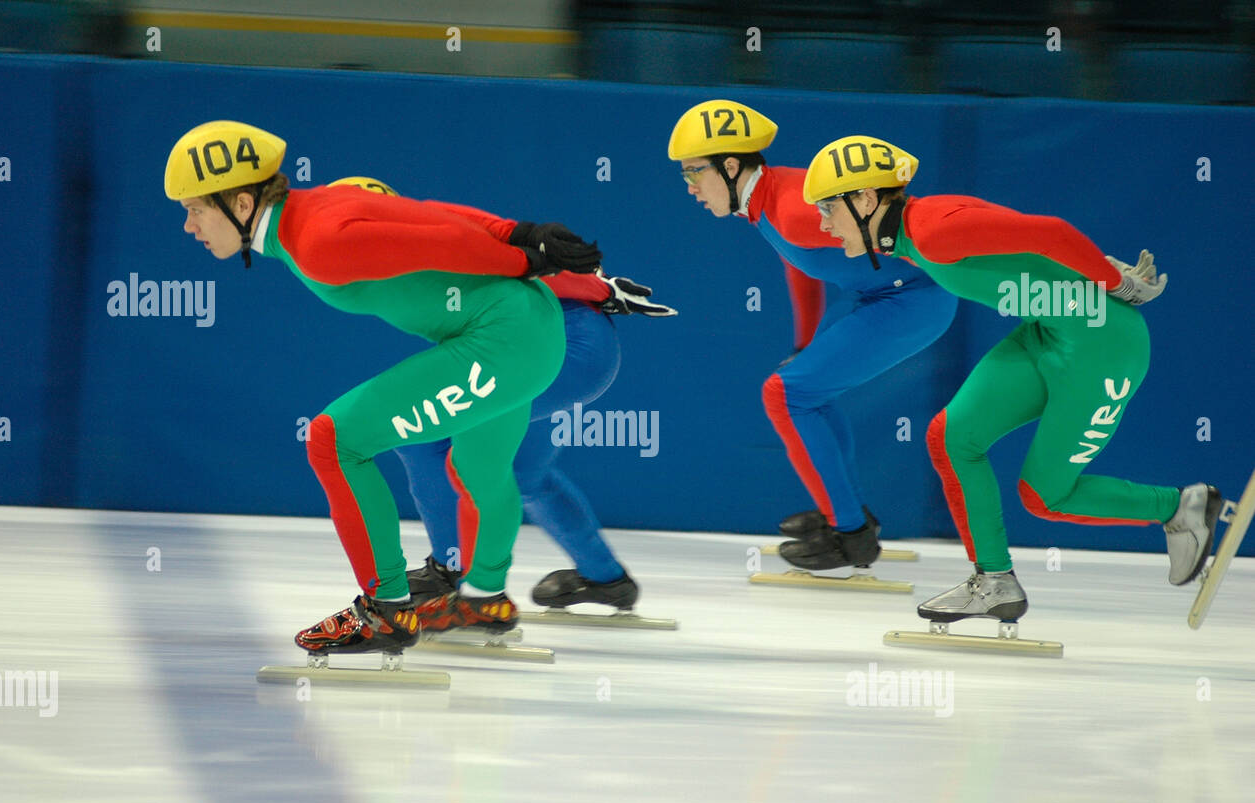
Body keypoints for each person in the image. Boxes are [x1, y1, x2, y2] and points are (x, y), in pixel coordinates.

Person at [164, 121, 601, 658]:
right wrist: (517, 231)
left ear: (241, 202)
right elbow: (428, 211)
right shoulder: (321, 205)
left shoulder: (316, 241)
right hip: (525, 327)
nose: (189, 226)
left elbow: (442, 240)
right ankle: (485, 597)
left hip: (504, 340)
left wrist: (522, 253)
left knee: (333, 439)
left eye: (194, 210)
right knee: (479, 469)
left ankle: (386, 611)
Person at [801, 134, 1218, 623]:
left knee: (1044, 497)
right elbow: (1023, 241)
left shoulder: (932, 230)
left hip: (1104, 347)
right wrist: (1096, 268)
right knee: (952, 437)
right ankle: (994, 581)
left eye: (828, 208)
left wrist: (1112, 282)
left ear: (867, 199)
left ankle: (1179, 507)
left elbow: (1051, 231)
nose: (824, 224)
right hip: (1048, 333)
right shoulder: (914, 233)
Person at [323, 178, 677, 616]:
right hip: (570, 344)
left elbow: (524, 261)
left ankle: (452, 575)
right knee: (525, 471)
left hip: (560, 343)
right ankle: (605, 579)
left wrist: (602, 289)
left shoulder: (417, 238)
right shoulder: (378, 256)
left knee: (426, 441)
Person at [668, 101, 958, 572]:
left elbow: (913, 223)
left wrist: (988, 269)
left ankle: (849, 534)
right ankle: (844, 514)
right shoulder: (764, 202)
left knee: (786, 395)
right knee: (805, 393)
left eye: (693, 173)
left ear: (731, 165)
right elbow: (799, 264)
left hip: (916, 299)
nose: (690, 187)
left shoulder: (791, 207)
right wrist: (804, 343)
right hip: (888, 296)